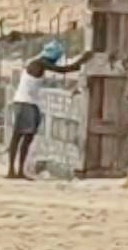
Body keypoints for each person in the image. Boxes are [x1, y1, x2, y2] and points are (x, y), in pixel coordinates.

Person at [7, 41, 93, 180]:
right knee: (21, 138)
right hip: (25, 103)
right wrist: (84, 59)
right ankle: (14, 170)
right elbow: (65, 69)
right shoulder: (40, 63)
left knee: (23, 138)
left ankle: (17, 170)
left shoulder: (38, 63)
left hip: (28, 103)